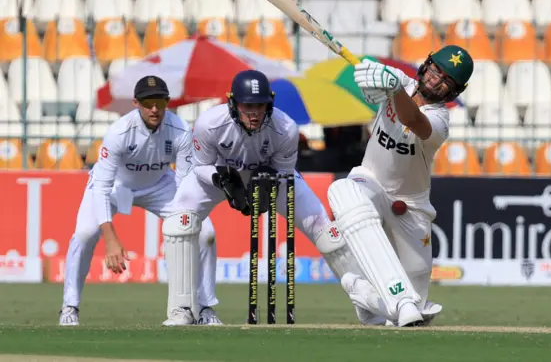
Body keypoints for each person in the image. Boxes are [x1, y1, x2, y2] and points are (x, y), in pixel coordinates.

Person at [165, 69, 361, 325]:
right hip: (219, 174)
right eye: (248, 105)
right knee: (181, 221)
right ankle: (183, 309)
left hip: (270, 178)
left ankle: (367, 301)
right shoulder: (209, 123)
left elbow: (285, 172)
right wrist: (221, 178)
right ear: (232, 103)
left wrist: (267, 188)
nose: (254, 113)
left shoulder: (286, 128)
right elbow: (199, 167)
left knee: (322, 225)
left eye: (260, 105)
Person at [327, 45, 474, 327]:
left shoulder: (440, 121)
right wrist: (372, 78)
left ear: (453, 92)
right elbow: (371, 79)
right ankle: (394, 300)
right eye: (435, 70)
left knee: (416, 304)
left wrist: (393, 90)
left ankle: (364, 294)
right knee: (345, 192)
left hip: (412, 209)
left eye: (446, 80)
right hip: (369, 182)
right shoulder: (400, 82)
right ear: (425, 65)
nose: (435, 80)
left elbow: (412, 119)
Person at [58, 76, 220, 327]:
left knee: (205, 232)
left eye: (159, 101)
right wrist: (110, 239)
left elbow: (185, 182)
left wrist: (182, 223)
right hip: (115, 186)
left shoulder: (179, 130)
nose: (154, 109)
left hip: (160, 185)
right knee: (85, 233)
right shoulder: (119, 132)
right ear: (136, 103)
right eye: (147, 102)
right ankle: (70, 307)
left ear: (168, 102)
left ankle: (206, 307)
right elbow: (101, 187)